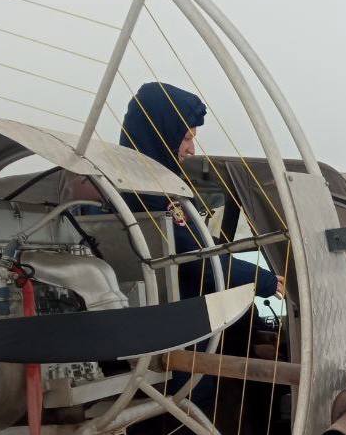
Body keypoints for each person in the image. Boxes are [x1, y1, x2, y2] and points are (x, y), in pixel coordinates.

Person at [118, 81, 282, 299]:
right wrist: (263, 280)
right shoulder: (156, 193)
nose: (192, 149)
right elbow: (198, 262)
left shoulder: (122, 180)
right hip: (180, 316)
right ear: (163, 134)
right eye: (186, 138)